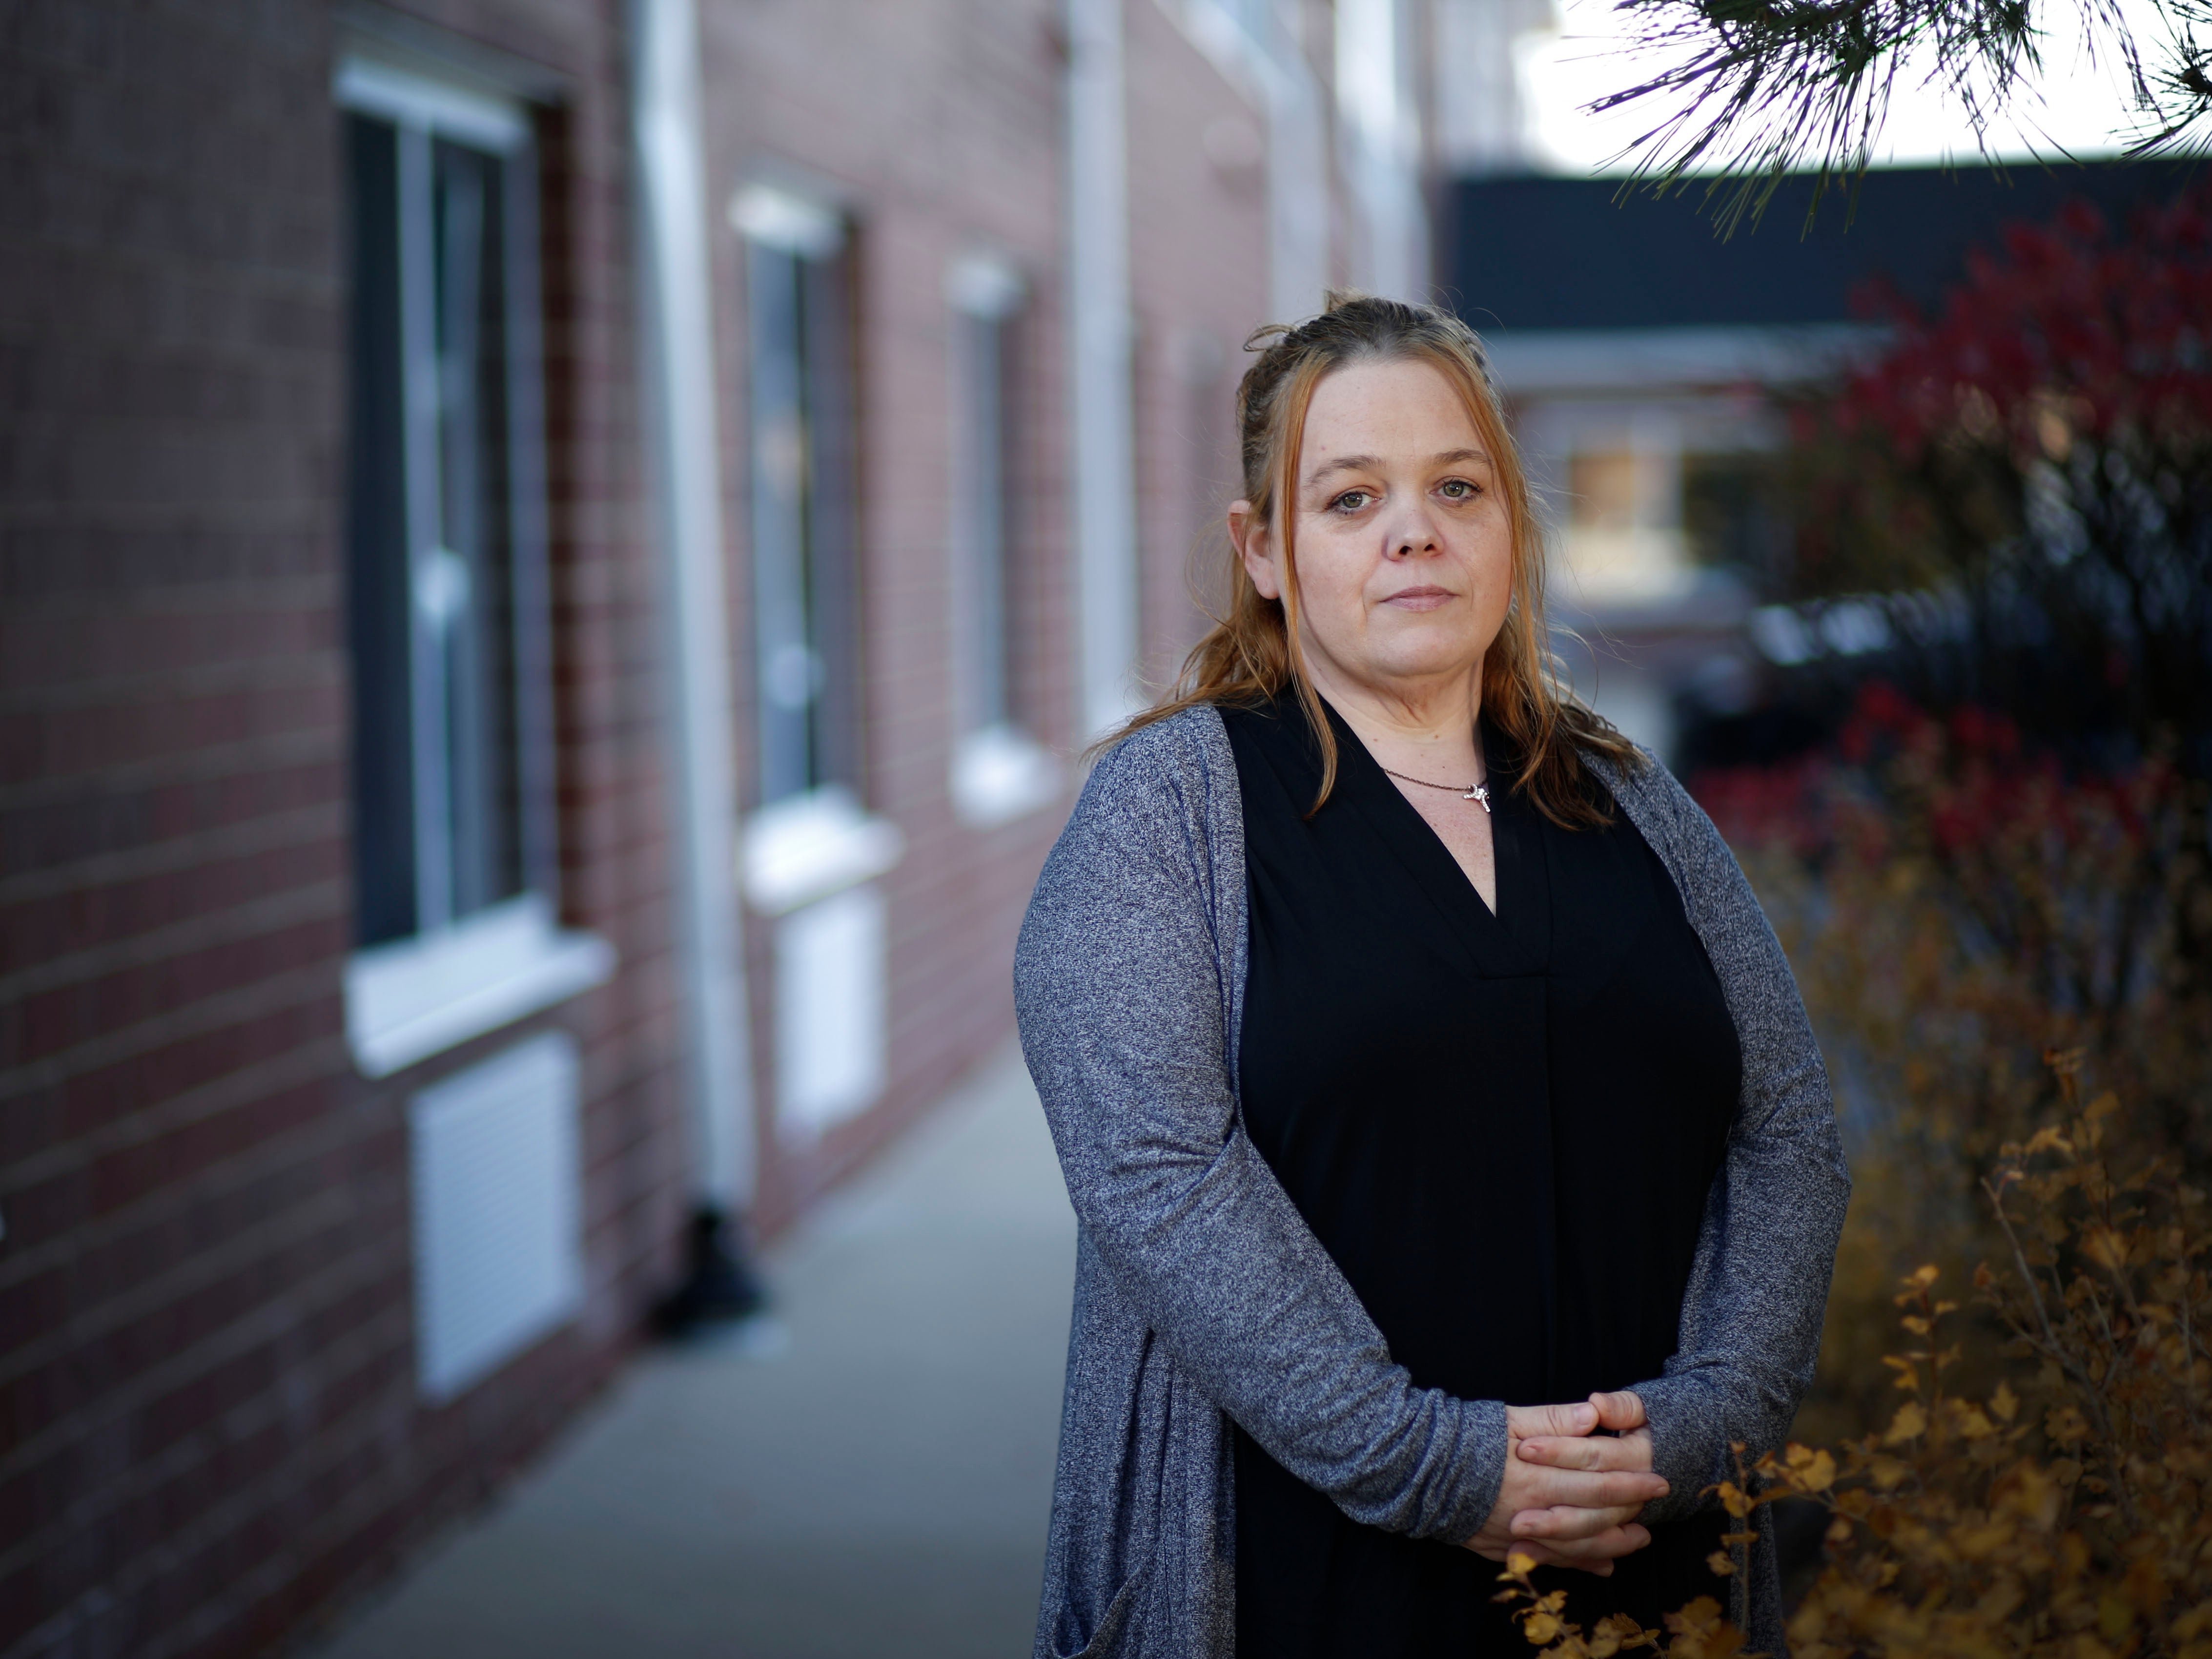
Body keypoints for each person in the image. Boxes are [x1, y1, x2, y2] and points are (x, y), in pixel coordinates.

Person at [1014, 292, 1848, 1659]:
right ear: (1264, 550)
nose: (1414, 529)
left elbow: (1788, 1130)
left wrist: (1704, 1426)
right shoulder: (1167, 814)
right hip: (1301, 1586)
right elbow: (1156, 1178)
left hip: (1646, 1553)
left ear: (1509, 527)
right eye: (1349, 499)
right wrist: (1438, 1468)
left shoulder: (1628, 802)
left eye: (1456, 487)